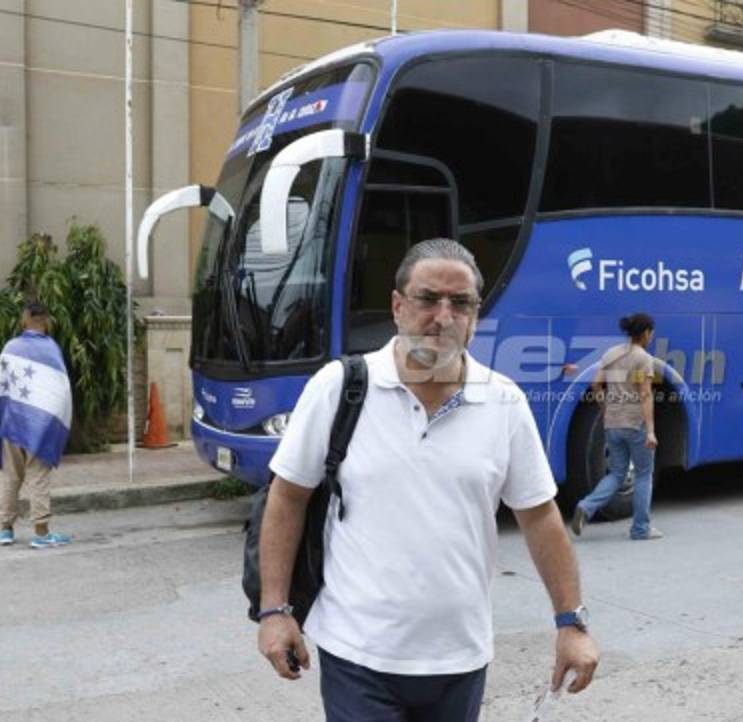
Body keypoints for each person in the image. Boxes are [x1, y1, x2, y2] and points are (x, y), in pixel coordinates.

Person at [257, 238, 599, 720]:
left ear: (475, 316)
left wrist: (572, 622)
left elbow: (540, 516)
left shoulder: (503, 403)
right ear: (398, 306)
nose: (443, 316)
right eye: (427, 298)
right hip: (358, 656)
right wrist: (275, 611)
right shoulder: (339, 388)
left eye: (460, 303)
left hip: (460, 659)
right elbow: (287, 498)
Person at [0, 301, 73, 549]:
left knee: (10, 476)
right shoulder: (52, 349)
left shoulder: (10, 347)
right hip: (41, 424)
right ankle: (41, 533)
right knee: (38, 476)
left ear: (24, 321)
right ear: (46, 322)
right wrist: (52, 422)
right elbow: (60, 390)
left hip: (11, 423)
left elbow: (0, 387)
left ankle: (5, 530)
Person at [571, 313, 662, 541]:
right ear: (646, 333)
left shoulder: (611, 354)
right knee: (643, 475)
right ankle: (641, 529)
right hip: (635, 424)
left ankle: (586, 505)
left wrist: (605, 408)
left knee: (617, 473)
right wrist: (650, 430)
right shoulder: (643, 359)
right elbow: (645, 394)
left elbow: (595, 384)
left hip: (612, 423)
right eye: (651, 333)